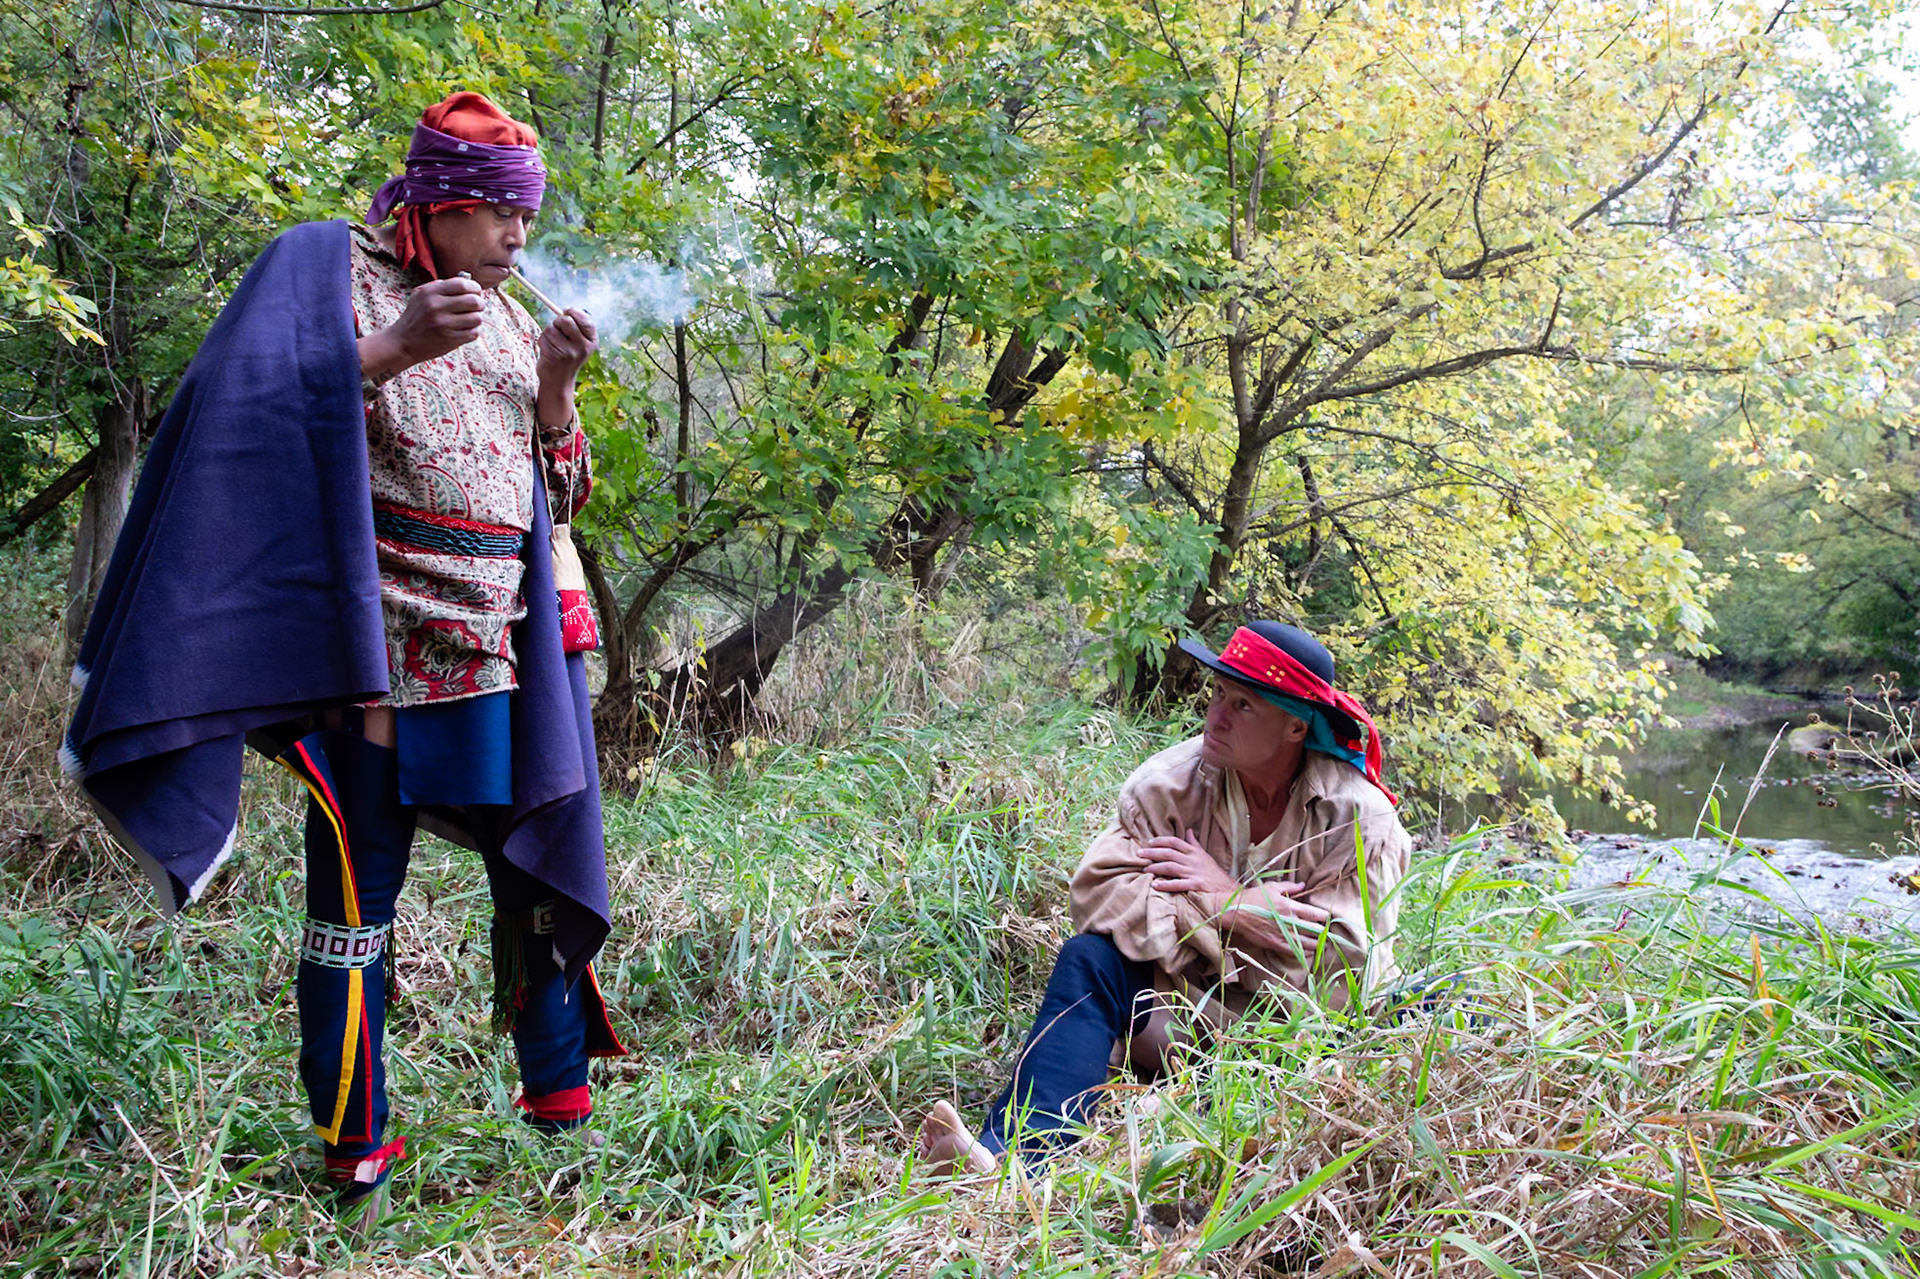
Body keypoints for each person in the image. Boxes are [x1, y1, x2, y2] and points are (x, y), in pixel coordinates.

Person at [62, 92, 623, 1210]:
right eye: (503, 215)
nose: (520, 237)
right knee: (356, 905)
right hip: (373, 659)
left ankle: (559, 1107)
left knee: (534, 876)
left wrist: (557, 388)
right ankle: (354, 1145)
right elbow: (237, 415)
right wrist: (391, 347)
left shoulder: (513, 320)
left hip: (501, 655)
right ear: (442, 203)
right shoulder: (326, 271)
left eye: (528, 217)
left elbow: (556, 499)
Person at [918, 621, 1411, 1174]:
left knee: (1420, 1009)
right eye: (1218, 693)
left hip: (1294, 1049)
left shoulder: (1359, 820)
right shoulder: (1169, 785)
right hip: (1178, 1018)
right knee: (1089, 959)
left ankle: (1180, 1114)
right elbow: (1100, 895)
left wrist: (1216, 895)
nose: (1216, 717)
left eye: (1243, 705)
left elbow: (1345, 972)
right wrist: (1231, 909)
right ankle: (1014, 1160)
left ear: (1296, 727)